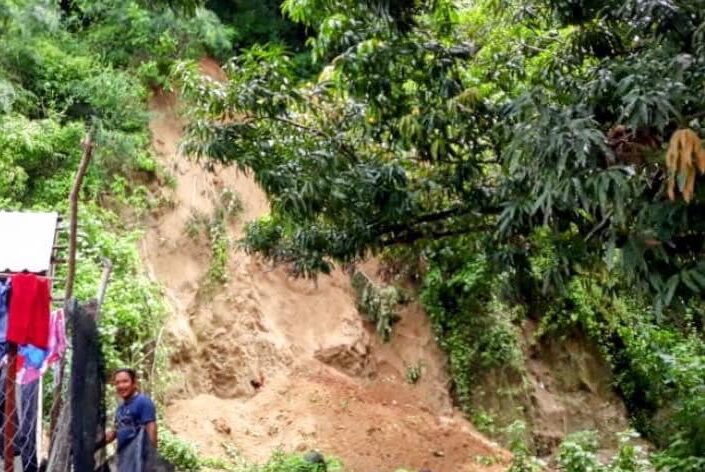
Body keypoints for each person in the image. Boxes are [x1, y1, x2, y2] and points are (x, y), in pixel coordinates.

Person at [103, 368, 158, 471]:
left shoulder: (143, 402)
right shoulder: (120, 408)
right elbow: (114, 432)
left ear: (134, 383)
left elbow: (152, 430)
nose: (121, 386)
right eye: (117, 383)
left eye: (125, 381)